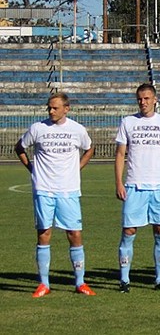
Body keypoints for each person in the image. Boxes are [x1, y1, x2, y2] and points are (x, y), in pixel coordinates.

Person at [15, 93, 96, 297]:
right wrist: (32, 169)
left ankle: (80, 282)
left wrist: (78, 168)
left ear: (66, 109)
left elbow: (89, 148)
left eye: (55, 108)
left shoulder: (77, 129)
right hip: (44, 188)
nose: (51, 111)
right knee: (44, 233)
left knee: (74, 234)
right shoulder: (37, 128)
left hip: (68, 189)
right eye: (49, 108)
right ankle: (44, 284)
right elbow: (20, 147)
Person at [114, 83, 160, 293]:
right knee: (129, 231)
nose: (143, 102)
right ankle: (124, 280)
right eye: (139, 99)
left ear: (155, 100)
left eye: (146, 98)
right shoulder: (128, 122)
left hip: (159, 187)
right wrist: (118, 182)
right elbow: (119, 155)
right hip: (134, 185)